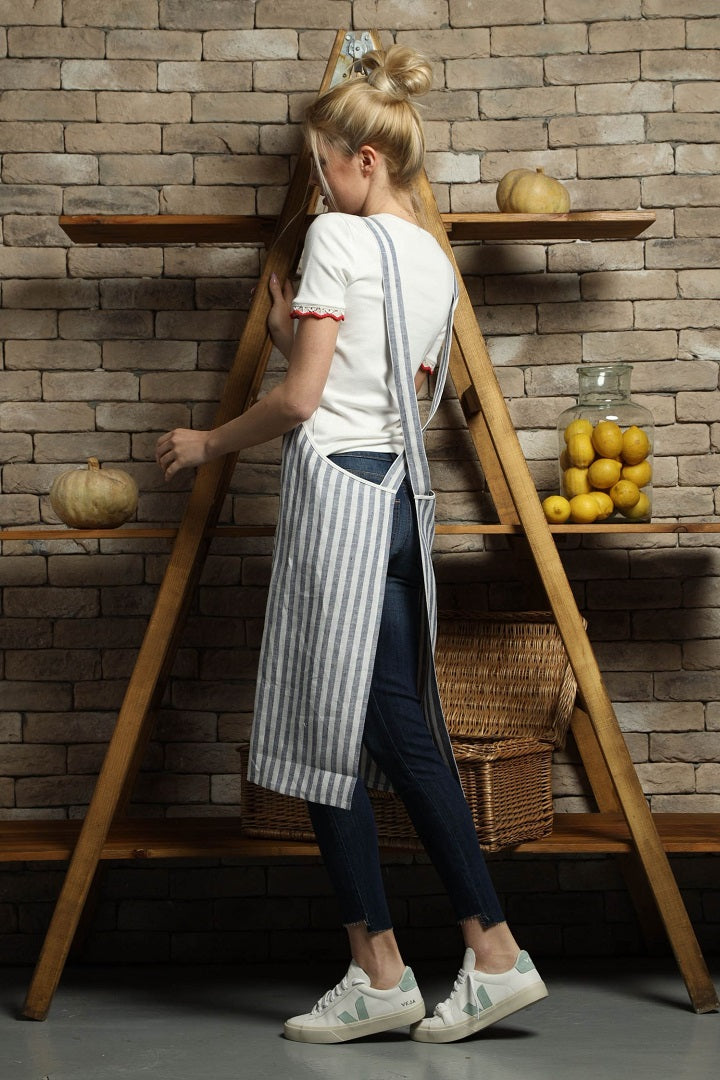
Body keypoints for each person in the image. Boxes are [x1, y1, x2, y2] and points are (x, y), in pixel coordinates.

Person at [156, 45, 547, 1045]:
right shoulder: (430, 255)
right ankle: (437, 961)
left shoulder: (335, 235)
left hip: (339, 500)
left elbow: (303, 403)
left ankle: (440, 961)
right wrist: (300, 338)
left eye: (324, 164)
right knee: (388, 725)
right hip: (400, 499)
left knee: (336, 736)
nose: (320, 182)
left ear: (363, 159)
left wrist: (209, 441)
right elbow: (395, 393)